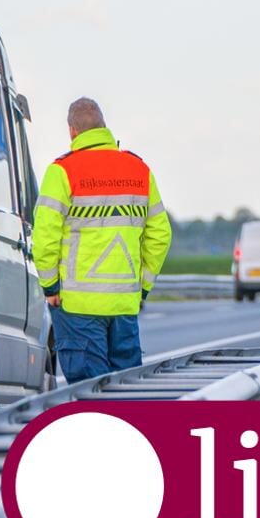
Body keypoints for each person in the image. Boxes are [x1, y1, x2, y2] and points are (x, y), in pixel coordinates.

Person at [32, 98, 171, 383]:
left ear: (72, 132)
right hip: (123, 304)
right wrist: (141, 287)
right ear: (104, 127)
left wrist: (50, 286)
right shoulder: (139, 170)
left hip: (77, 305)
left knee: (90, 393)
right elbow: (160, 235)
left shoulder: (61, 171)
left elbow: (45, 236)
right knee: (126, 390)